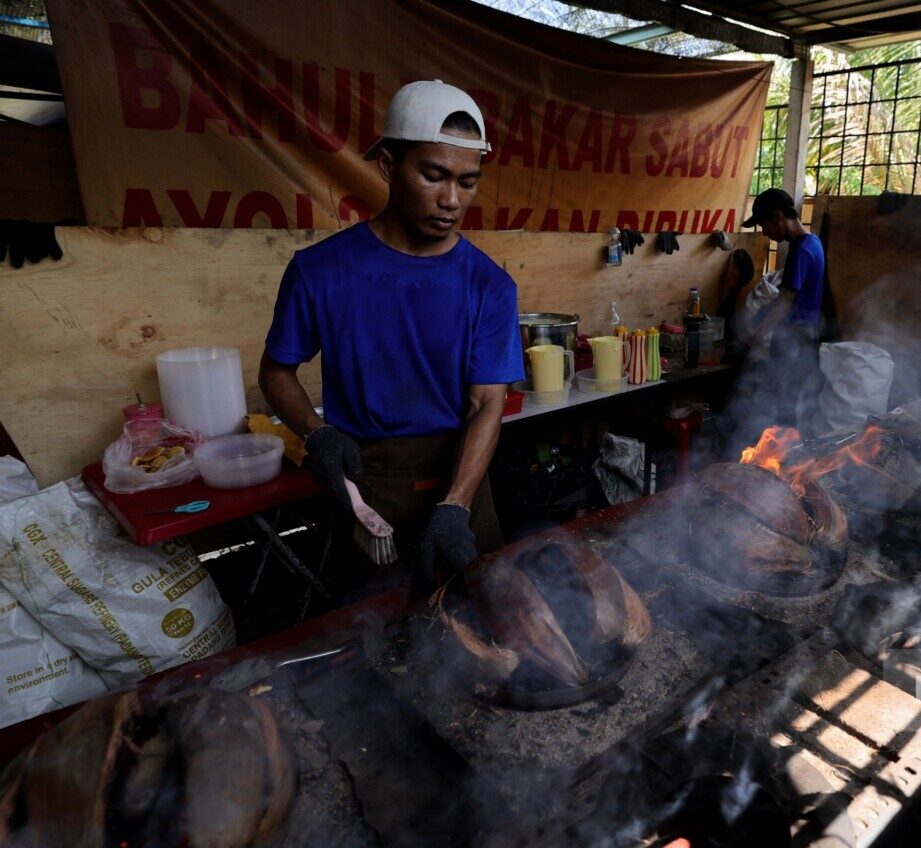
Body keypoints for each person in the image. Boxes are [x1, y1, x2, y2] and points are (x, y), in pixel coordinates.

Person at [258, 80, 524, 595]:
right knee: (380, 635)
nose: (451, 200)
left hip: (459, 473)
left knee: (486, 620)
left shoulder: (489, 284)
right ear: (386, 165)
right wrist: (317, 432)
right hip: (368, 479)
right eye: (433, 175)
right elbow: (276, 370)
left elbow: (488, 402)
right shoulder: (321, 271)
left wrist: (456, 505)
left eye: (468, 182)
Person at [742, 188, 826, 434]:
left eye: (765, 225)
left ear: (778, 215)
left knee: (783, 406)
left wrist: (754, 337)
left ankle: (780, 459)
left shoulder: (800, 251)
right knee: (790, 402)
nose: (765, 233)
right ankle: (784, 456)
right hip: (806, 337)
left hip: (794, 340)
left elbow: (785, 302)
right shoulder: (814, 242)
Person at [715, 248, 755, 364]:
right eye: (733, 269)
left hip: (739, 351)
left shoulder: (743, 300)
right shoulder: (729, 300)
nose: (732, 273)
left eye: (736, 270)